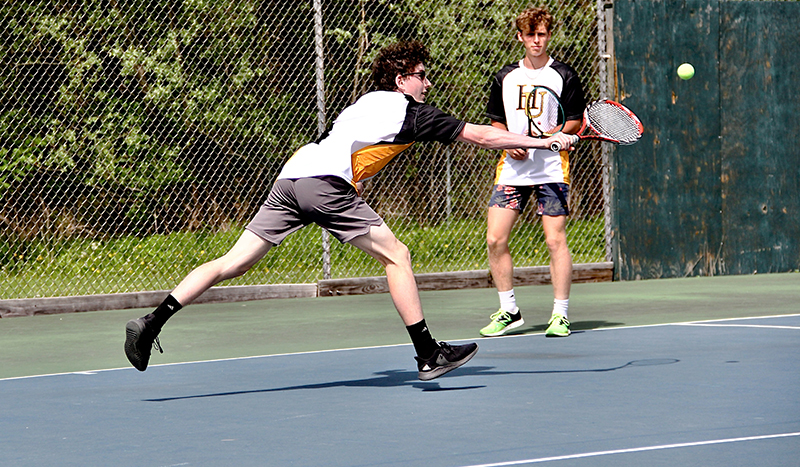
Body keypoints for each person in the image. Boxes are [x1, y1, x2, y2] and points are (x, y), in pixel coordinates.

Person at [124, 40, 575, 380]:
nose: (427, 82)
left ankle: (151, 321)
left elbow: (344, 148)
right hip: (324, 185)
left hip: (291, 177)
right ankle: (427, 354)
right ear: (402, 81)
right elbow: (483, 136)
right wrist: (545, 140)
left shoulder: (361, 105)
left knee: (231, 263)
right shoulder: (411, 111)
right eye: (421, 74)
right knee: (397, 256)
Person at [479, 7, 586, 338]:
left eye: (541, 34)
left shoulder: (564, 75)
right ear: (520, 37)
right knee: (495, 238)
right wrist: (508, 143)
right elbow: (496, 120)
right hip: (512, 170)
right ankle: (509, 310)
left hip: (552, 169)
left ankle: (560, 314)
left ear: (548, 36)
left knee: (555, 240)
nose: (536, 41)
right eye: (530, 35)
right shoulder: (505, 77)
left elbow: (575, 119)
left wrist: (558, 134)